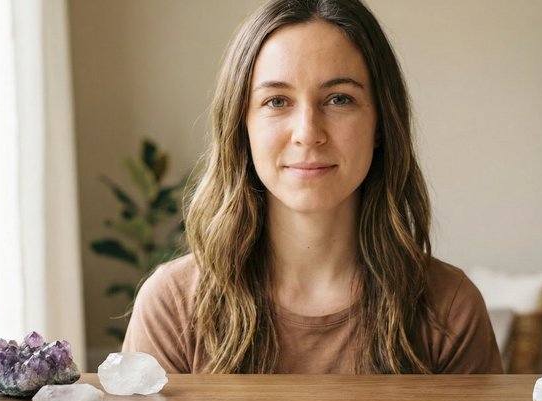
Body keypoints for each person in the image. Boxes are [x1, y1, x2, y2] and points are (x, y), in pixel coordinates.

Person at [122, 0, 502, 375]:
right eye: (277, 101)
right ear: (242, 127)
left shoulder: (450, 308)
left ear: (381, 125)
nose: (307, 133)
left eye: (339, 99)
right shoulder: (171, 305)